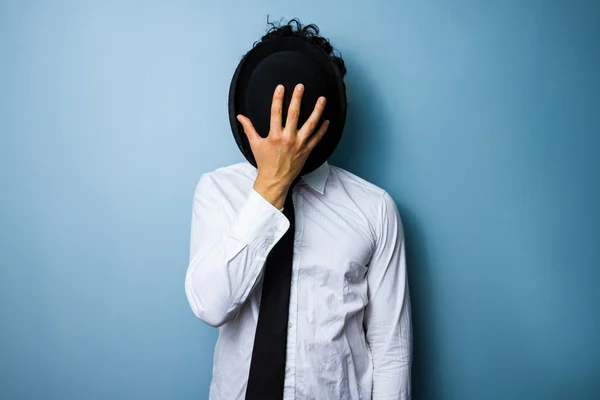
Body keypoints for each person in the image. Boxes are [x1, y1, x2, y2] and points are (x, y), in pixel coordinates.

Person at [184, 18, 413, 400]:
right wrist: (272, 182)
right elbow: (211, 306)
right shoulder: (217, 191)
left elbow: (392, 354)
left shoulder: (375, 209)